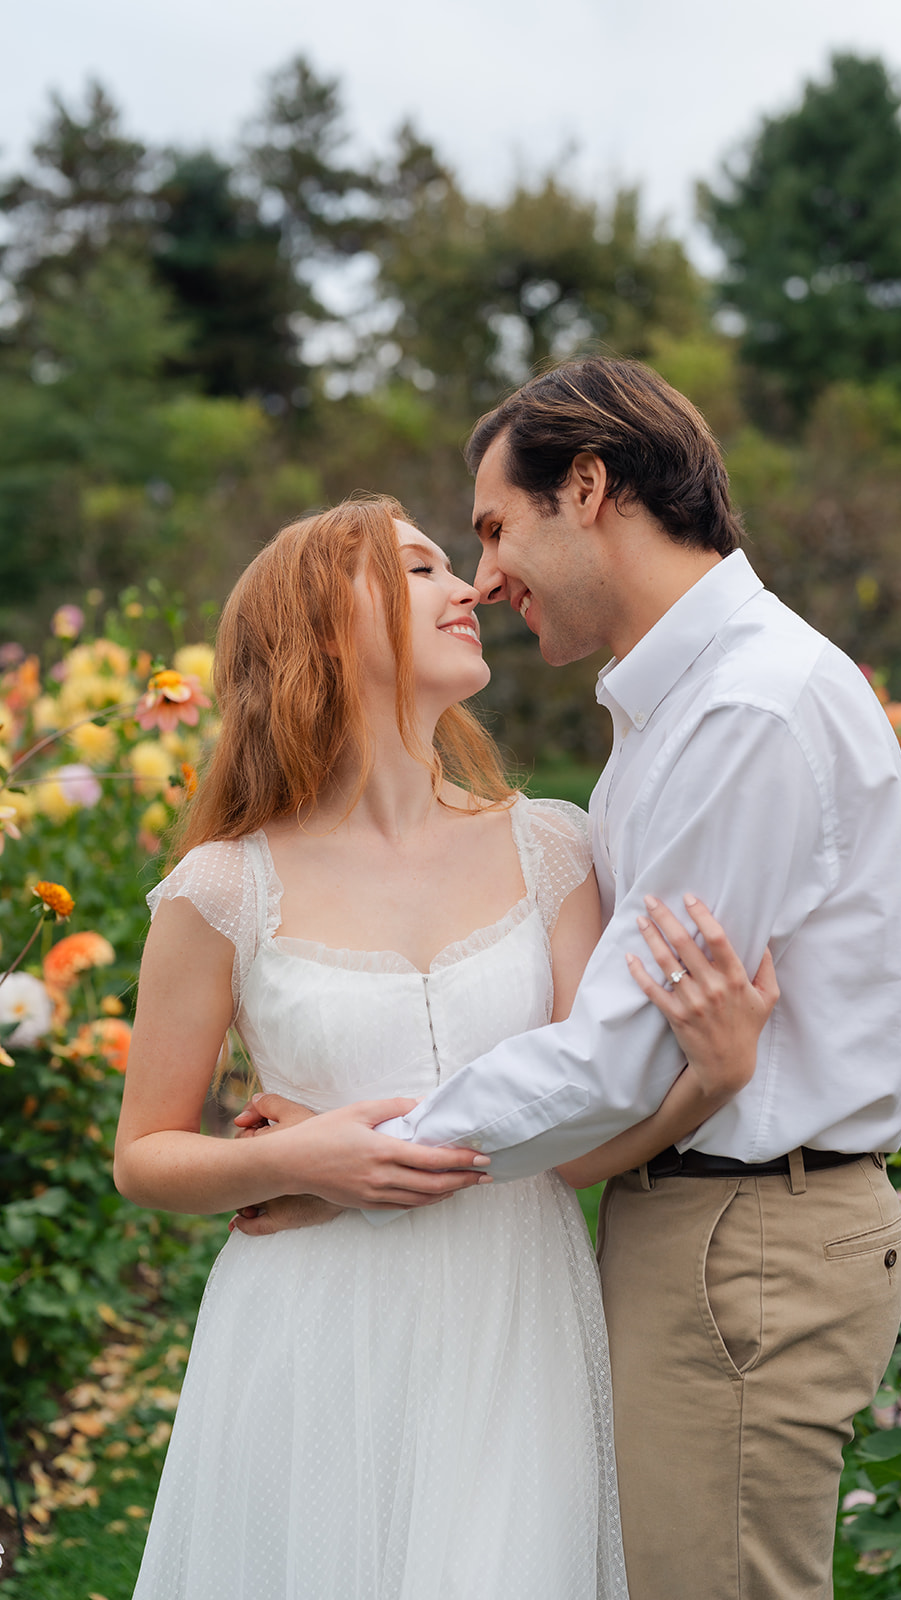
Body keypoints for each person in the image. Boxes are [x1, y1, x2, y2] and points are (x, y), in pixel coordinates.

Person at [244, 358, 901, 1599]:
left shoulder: (747, 711)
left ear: (592, 487)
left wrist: (343, 1165)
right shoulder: (680, 712)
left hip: (748, 1230)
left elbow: (614, 1054)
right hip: (703, 1216)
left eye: (496, 526)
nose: (484, 574)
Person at [114, 495, 774, 1600]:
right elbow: (145, 1153)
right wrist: (295, 1159)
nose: (467, 586)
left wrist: (713, 1078)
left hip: (513, 1318)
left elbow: (572, 1142)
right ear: (320, 630)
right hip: (307, 1328)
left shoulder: (551, 844)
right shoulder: (224, 886)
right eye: (416, 569)